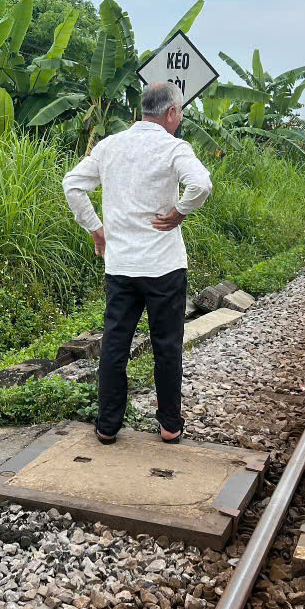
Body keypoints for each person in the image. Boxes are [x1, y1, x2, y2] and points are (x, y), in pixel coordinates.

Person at [62, 81, 212, 445]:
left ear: (142, 109)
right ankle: (170, 425)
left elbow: (72, 184)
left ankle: (108, 425)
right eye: (180, 113)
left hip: (121, 266)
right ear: (172, 112)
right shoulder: (174, 147)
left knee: (115, 345)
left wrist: (96, 229)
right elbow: (202, 185)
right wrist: (179, 213)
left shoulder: (109, 145)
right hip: (164, 267)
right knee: (167, 345)